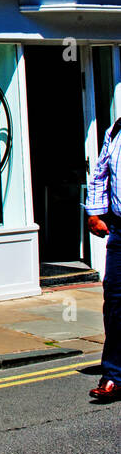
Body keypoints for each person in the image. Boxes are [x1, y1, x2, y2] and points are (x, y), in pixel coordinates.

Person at [84, 117, 121, 401]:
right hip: (120, 230)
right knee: (115, 301)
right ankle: (114, 376)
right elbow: (100, 173)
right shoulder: (116, 128)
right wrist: (95, 213)